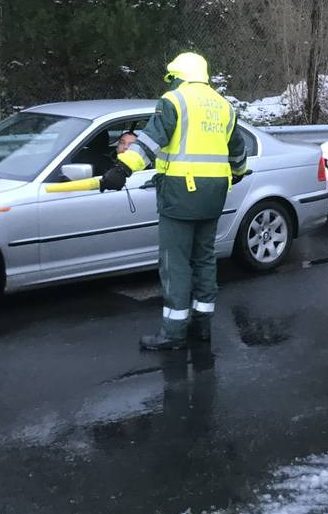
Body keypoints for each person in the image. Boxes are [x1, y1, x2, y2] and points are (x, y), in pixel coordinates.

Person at [100, 53, 248, 350]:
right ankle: (202, 325)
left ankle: (173, 332)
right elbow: (238, 150)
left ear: (178, 75)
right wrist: (238, 172)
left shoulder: (174, 100)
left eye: (172, 78)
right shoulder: (224, 106)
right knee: (205, 259)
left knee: (175, 263)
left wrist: (121, 169)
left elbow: (149, 142)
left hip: (181, 194)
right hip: (214, 194)